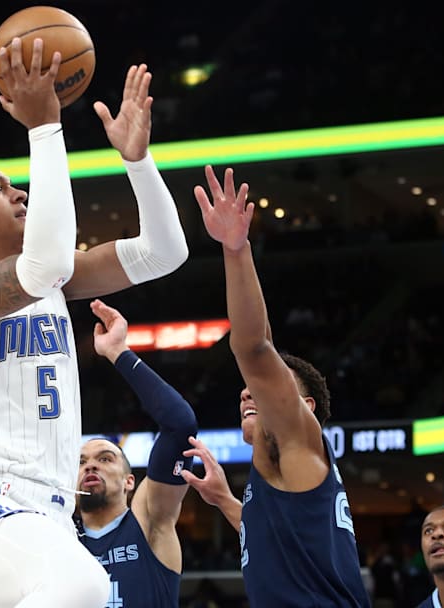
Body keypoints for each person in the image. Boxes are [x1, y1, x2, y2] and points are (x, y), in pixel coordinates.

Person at [0, 36, 188, 608]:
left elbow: (165, 253)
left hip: (52, 515)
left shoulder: (54, 280)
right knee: (84, 586)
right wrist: (44, 128)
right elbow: (46, 265)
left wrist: (138, 162)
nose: (19, 193)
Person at [185, 165, 370, 607]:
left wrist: (236, 249)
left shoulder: (299, 438)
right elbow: (273, 539)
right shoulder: (286, 470)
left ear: (305, 406)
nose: (246, 392)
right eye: (247, 389)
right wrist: (224, 500)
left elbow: (254, 348)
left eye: (262, 389)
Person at [77, 299, 197, 607]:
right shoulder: (59, 538)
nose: (90, 466)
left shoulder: (149, 521)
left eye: (105, 458)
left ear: (130, 481)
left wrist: (118, 352)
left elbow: (180, 424)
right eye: (81, 462)